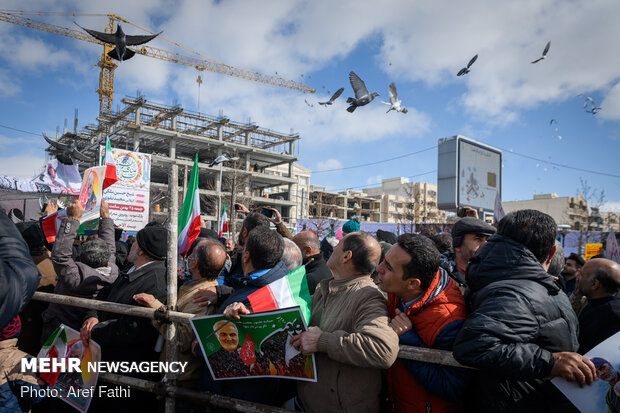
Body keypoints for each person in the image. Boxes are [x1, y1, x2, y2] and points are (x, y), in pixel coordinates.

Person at [453, 209, 596, 412]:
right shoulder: (515, 293)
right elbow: (475, 345)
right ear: (552, 253)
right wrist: (550, 362)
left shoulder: (517, 282)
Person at [290, 231, 399, 413]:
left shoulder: (368, 296)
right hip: (310, 403)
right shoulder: (326, 287)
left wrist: (322, 341)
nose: (332, 248)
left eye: (338, 244)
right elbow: (292, 310)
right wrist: (247, 310)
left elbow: (383, 349)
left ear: (347, 256)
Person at [376, 233, 469, 412]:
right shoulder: (398, 289)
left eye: (388, 267)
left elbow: (452, 387)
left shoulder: (448, 320)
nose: (378, 268)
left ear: (412, 284)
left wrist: (410, 341)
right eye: (383, 260)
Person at [80, 224, 168, 411]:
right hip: (106, 363)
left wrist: (95, 331)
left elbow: (133, 328)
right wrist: (92, 315)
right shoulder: (132, 268)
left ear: (142, 250)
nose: (131, 245)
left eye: (135, 242)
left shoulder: (157, 284)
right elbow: (105, 294)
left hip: (126, 372)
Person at [134, 238, 227, 387]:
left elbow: (183, 339)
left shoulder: (201, 298)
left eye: (193, 254)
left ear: (195, 263)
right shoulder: (192, 287)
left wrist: (155, 307)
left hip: (182, 379)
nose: (188, 256)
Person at [41, 199, 119, 341]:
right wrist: (105, 217)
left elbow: (60, 256)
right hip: (85, 336)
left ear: (80, 258)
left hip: (59, 332)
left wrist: (73, 219)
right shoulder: (112, 273)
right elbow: (110, 249)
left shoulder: (75, 277)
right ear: (107, 261)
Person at [575, 258, 620, 354]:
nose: (577, 278)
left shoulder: (612, 316)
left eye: (581, 275)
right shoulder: (593, 305)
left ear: (595, 284)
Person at [439, 216, 496, 288]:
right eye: (478, 239)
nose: (485, 245)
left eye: (487, 240)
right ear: (458, 245)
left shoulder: (494, 274)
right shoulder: (439, 277)